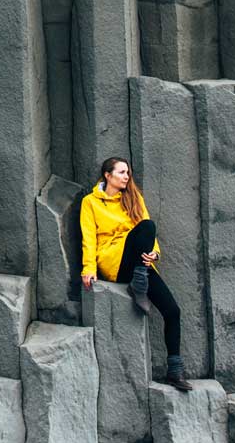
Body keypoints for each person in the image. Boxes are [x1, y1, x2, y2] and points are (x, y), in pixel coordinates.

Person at [80, 156, 192, 391]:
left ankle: (175, 369)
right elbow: (88, 238)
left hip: (139, 264)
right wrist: (88, 269)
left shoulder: (133, 198)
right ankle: (138, 282)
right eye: (121, 172)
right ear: (107, 175)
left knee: (173, 311)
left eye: (128, 173)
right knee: (145, 229)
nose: (126, 177)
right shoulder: (90, 202)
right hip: (114, 261)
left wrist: (154, 255)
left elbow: (147, 232)